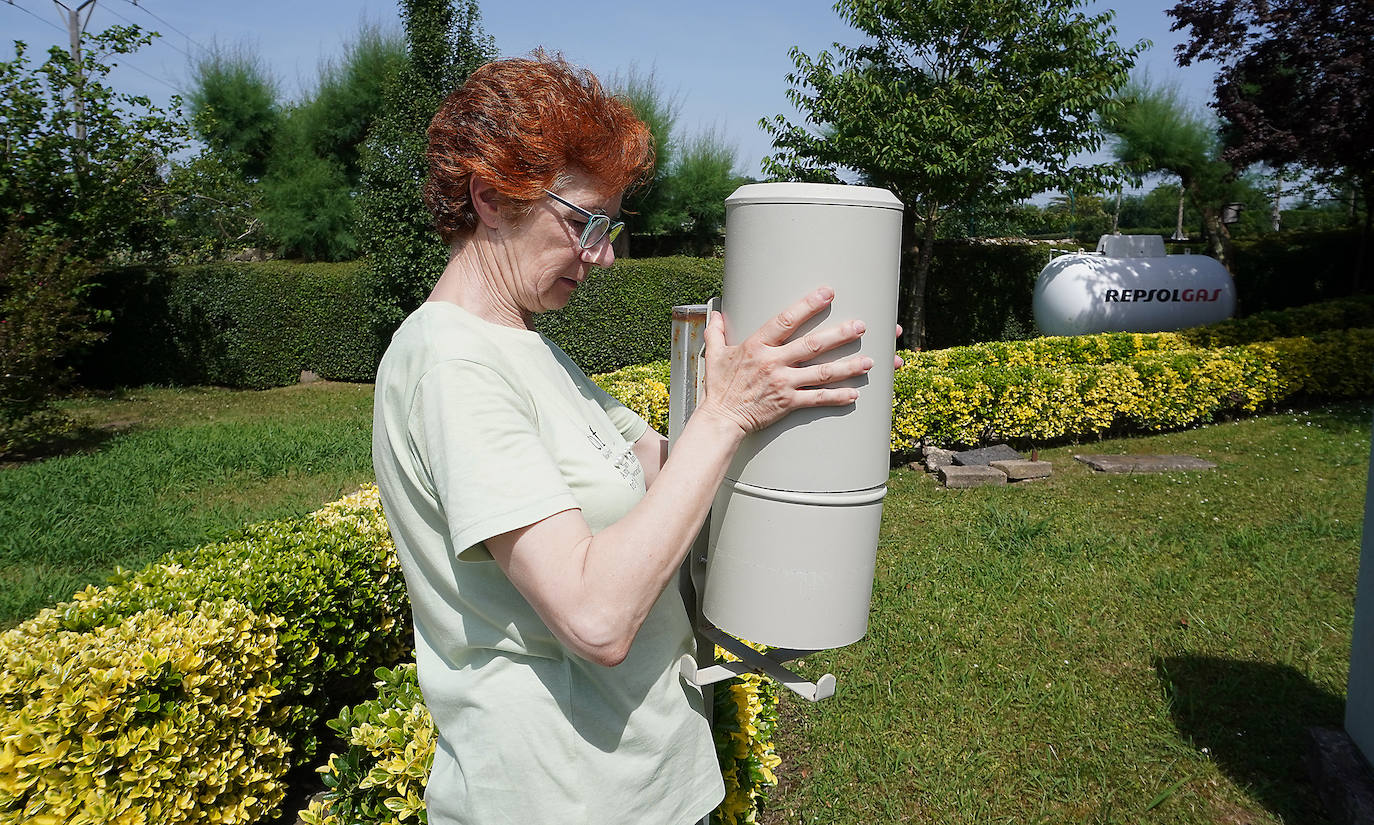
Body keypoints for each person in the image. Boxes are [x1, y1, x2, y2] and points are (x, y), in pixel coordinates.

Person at [371, 52, 881, 825]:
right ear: (488, 196)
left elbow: (672, 475)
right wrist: (724, 412)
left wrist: (806, 382)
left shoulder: (530, 348)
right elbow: (594, 617)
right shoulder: (452, 364)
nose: (603, 253)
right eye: (583, 222)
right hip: (559, 800)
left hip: (647, 787)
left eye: (609, 226)